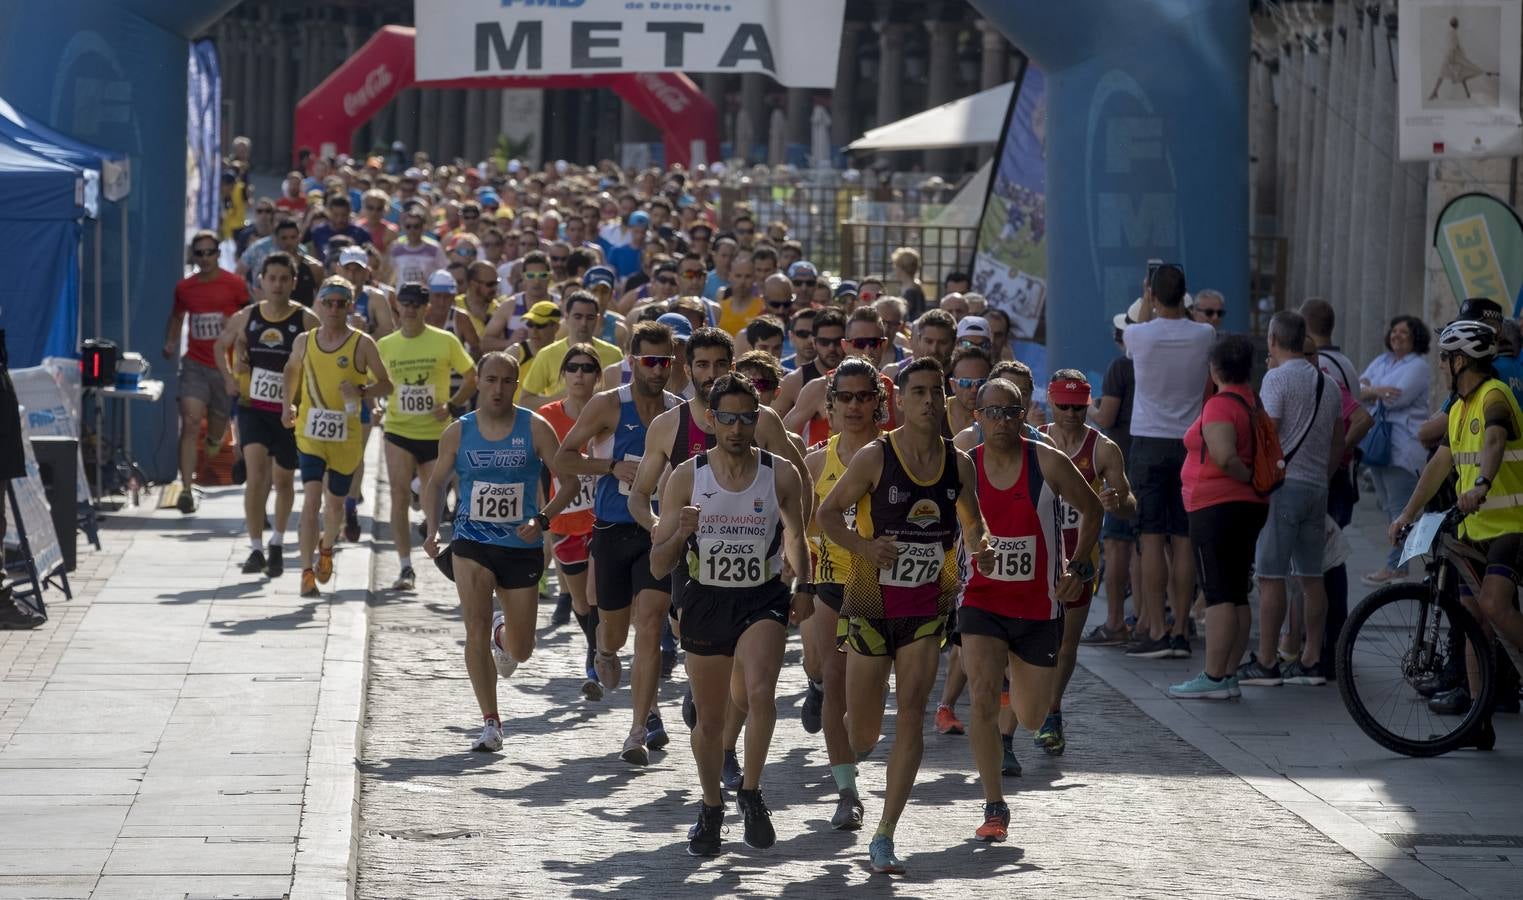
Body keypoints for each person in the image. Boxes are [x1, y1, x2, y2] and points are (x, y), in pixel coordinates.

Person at [815, 356, 994, 875]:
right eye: (918, 392)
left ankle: (886, 832)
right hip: (870, 602)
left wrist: (982, 546)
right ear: (900, 400)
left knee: (912, 713)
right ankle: (850, 764)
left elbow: (972, 523)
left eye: (936, 392)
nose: (930, 401)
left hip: (927, 607)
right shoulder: (876, 456)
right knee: (865, 734)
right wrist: (862, 547)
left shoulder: (958, 464)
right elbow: (827, 515)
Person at [649, 373, 814, 856]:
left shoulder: (779, 472)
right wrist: (680, 532)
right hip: (705, 599)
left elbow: (797, 538)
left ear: (759, 418)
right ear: (710, 420)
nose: (738, 428)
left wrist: (803, 585)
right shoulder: (687, 476)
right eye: (728, 418)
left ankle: (752, 791)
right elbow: (660, 562)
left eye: (748, 417)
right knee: (710, 718)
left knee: (762, 692)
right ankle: (711, 804)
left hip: (761, 596)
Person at [959, 375, 1102, 843]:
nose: (1001, 421)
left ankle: (1013, 691)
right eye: (992, 412)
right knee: (980, 696)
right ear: (977, 416)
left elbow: (1093, 509)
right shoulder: (964, 467)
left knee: (1034, 714)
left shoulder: (1047, 462)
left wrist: (1077, 568)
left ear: (1025, 417)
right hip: (981, 600)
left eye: (1012, 412)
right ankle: (994, 804)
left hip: (1037, 608)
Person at [421, 352, 579, 753]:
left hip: (521, 546)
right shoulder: (458, 432)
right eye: (490, 379)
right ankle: (490, 722)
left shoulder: (536, 428)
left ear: (516, 383)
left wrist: (543, 521)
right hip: (471, 543)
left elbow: (570, 485)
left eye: (507, 381)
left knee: (521, 650)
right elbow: (437, 482)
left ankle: (501, 631)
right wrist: (432, 527)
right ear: (478, 381)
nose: (498, 388)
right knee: (471, 630)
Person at [551, 321, 683, 765]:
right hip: (611, 531)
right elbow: (563, 456)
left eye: (665, 361)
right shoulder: (608, 405)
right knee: (615, 629)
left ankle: (637, 729)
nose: (657, 369)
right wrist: (609, 468)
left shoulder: (678, 411)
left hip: (657, 533)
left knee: (650, 626)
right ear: (631, 361)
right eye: (649, 360)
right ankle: (604, 649)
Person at [1388, 320, 1523, 751]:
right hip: (1475, 532)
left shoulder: (1493, 396)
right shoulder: (1460, 407)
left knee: (1492, 604)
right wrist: (1406, 514)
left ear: (1459, 360)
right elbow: (1439, 465)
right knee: (1471, 622)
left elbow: (1497, 439)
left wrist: (1482, 483)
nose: (1442, 365)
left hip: (1512, 526)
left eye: (1445, 358)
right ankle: (1477, 722)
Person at [1237, 312, 1344, 686]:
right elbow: (1337, 441)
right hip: (1317, 487)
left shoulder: (1276, 378)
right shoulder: (1326, 384)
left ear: (1272, 340)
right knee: (1312, 578)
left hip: (1283, 489)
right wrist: (1322, 477)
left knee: (1271, 577)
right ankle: (1313, 659)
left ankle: (1267, 660)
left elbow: (1269, 435)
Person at [802, 357, 883, 832]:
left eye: (864, 396)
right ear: (829, 407)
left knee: (867, 705)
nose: (855, 406)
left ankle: (855, 750)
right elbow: (798, 529)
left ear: (878, 402)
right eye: (845, 398)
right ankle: (846, 792)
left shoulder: (898, 456)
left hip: (883, 590)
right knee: (835, 684)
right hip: (831, 586)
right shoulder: (816, 462)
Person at [1168, 335, 1272, 699]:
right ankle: (1228, 675)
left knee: (1218, 593)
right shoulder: (1251, 400)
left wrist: (1247, 478)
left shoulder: (1219, 406)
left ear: (1214, 369)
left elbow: (1226, 456)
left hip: (1216, 508)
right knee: (1236, 592)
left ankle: (1213, 676)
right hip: (1247, 508)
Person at [1034, 370, 1134, 752]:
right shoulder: (1035, 440)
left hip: (1080, 556)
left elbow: (1129, 505)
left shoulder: (1103, 449)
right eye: (1064, 406)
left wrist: (1117, 502)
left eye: (1079, 407)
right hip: (1036, 553)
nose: (1072, 414)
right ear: (1050, 403)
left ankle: (1053, 712)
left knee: (1065, 643)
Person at [1122, 263, 1215, 659]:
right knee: (1183, 540)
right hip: (1190, 443)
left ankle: (1156, 627)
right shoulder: (1205, 334)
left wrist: (1147, 300)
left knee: (1150, 539)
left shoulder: (1138, 334)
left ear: (1153, 294)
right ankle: (1180, 627)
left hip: (1147, 442)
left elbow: (1138, 329)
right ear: (1186, 295)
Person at [283, 277, 392, 598]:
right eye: (328, 302)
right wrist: (287, 403)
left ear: (349, 306)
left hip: (345, 437)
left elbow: (386, 384)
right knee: (311, 500)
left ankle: (326, 547)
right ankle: (305, 572)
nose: (333, 309)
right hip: (310, 431)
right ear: (319, 304)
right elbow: (291, 369)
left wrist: (361, 390)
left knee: (334, 507)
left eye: (340, 303)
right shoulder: (305, 340)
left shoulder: (362, 343)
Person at [213, 252, 319, 577]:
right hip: (252, 407)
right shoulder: (247, 316)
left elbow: (322, 356)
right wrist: (231, 376)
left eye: (284, 279)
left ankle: (277, 542)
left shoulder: (306, 320)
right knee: (257, 475)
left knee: (283, 480)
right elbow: (222, 345)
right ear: (260, 281)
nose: (277, 284)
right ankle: (256, 547)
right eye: (271, 278)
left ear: (294, 283)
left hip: (289, 412)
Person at [377, 282, 478, 591]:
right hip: (398, 429)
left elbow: (472, 375)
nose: (409, 309)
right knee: (398, 494)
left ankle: (433, 542)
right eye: (404, 303)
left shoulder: (444, 340)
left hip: (435, 433)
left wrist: (453, 404)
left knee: (432, 500)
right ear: (398, 307)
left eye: (415, 304)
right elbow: (375, 381)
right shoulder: (386, 345)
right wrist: (373, 402)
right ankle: (405, 567)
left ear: (425, 308)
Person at [538, 344, 606, 700]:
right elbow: (537, 469)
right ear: (563, 374)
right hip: (565, 521)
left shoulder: (609, 410)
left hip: (605, 519)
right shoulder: (547, 415)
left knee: (598, 594)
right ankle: (594, 645)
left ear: (598, 375)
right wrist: (540, 514)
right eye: (573, 368)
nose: (579, 374)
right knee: (581, 601)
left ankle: (596, 657)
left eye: (587, 368)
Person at [165, 230, 251, 514]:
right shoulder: (185, 288)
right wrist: (170, 341)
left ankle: (215, 438)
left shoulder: (234, 284)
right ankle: (186, 489)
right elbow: (177, 316)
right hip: (195, 365)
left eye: (209, 253)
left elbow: (250, 317)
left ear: (217, 253)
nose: (205, 259)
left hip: (225, 369)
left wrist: (235, 326)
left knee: (218, 425)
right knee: (190, 422)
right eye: (199, 254)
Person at [1358, 315, 1433, 585]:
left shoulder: (1418, 366)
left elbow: (1394, 399)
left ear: (1415, 338)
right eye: (1394, 331)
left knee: (1400, 509)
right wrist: (1376, 390)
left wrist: (1371, 391)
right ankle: (1400, 564)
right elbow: (1357, 388)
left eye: (1404, 332)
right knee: (1390, 510)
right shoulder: (1383, 360)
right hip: (1379, 447)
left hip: (1403, 447)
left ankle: (1397, 567)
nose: (1397, 336)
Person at [1086, 307, 1139, 644]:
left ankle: (1116, 620)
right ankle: (1147, 620)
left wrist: (1089, 405)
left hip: (1123, 456)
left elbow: (1105, 418)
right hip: (1158, 457)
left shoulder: (1122, 366)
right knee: (1148, 544)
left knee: (1118, 542)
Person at [518, 290, 625, 407]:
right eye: (578, 317)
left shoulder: (614, 354)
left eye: (590, 317)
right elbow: (525, 401)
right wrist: (564, 399)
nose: (583, 323)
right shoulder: (547, 354)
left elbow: (625, 397)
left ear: (597, 319)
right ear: (566, 318)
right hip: (558, 424)